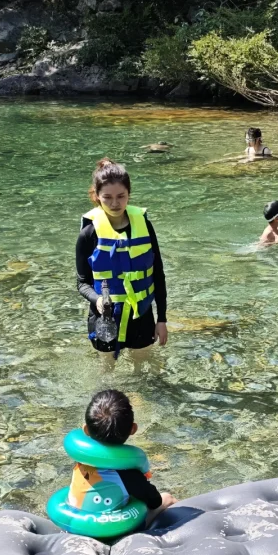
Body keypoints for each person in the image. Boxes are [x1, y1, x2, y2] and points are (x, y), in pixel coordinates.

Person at [76, 160, 167, 362]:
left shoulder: (145, 226)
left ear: (129, 195)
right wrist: (98, 300)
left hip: (141, 316)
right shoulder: (88, 234)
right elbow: (82, 283)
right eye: (107, 197)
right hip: (105, 317)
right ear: (97, 197)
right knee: (107, 373)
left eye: (121, 197)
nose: (115, 203)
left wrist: (161, 319)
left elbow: (158, 274)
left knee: (142, 370)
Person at [70, 389, 176, 527]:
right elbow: (155, 502)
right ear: (133, 429)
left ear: (86, 430)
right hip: (113, 531)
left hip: (77, 524)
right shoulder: (130, 475)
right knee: (168, 498)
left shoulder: (81, 461)